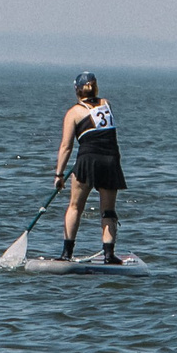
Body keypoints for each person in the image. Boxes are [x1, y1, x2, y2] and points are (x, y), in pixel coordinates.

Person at [53, 72, 128, 262]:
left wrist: (59, 174)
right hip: (111, 161)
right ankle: (109, 254)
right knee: (108, 211)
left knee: (75, 207)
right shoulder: (106, 104)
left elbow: (66, 146)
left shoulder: (73, 112)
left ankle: (66, 253)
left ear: (77, 90)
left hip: (87, 161)